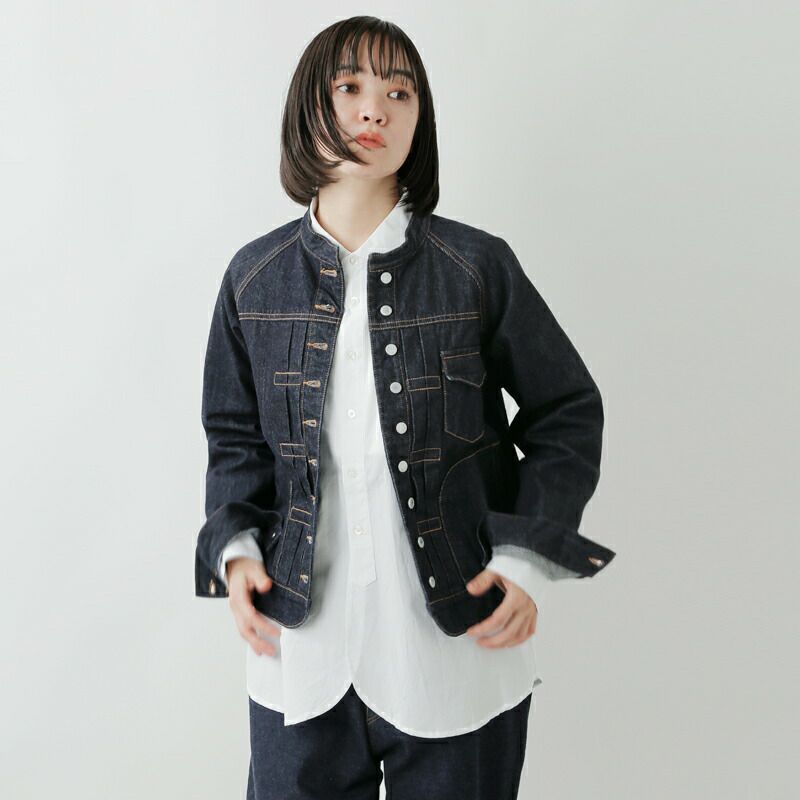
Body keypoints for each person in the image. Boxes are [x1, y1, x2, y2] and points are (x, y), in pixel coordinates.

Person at [195, 15, 615, 800]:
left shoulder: (476, 267)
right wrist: (237, 549)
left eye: (399, 93)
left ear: (420, 120)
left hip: (457, 653)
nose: (373, 110)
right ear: (308, 107)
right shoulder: (253, 278)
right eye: (349, 87)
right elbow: (235, 434)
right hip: (299, 656)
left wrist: (524, 560)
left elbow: (565, 412)